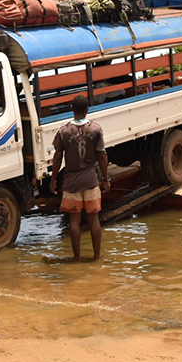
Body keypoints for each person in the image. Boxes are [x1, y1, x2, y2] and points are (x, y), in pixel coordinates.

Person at [50, 96, 110, 261]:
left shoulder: (63, 131)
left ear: (71, 108)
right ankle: (96, 257)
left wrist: (53, 180)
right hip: (91, 181)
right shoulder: (96, 129)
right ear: (87, 110)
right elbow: (102, 156)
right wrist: (106, 178)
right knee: (94, 219)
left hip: (71, 182)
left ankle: (77, 258)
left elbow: (57, 158)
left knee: (74, 222)